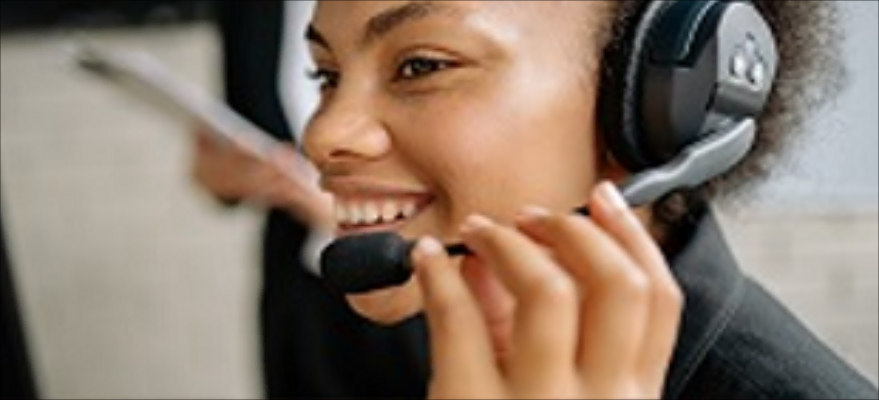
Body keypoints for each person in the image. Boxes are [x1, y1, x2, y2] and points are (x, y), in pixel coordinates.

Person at [297, 1, 878, 399]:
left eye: (421, 66)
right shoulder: (403, 350)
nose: (322, 135)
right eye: (327, 75)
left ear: (663, 105)